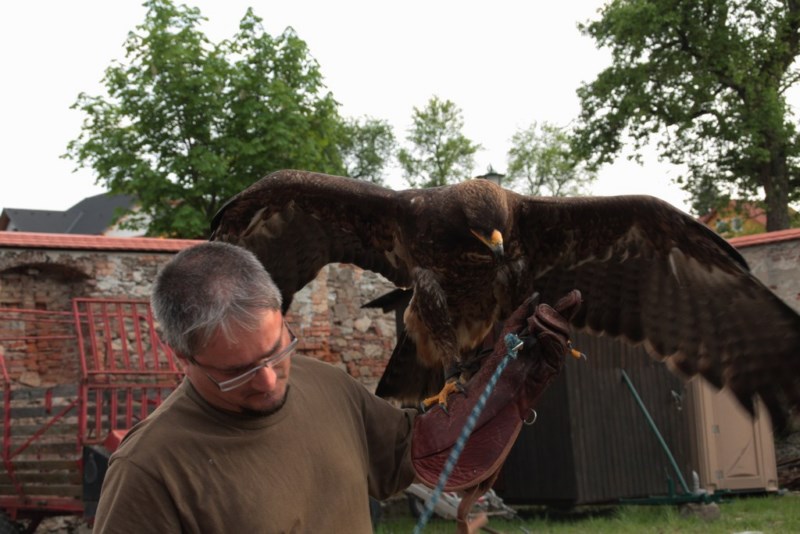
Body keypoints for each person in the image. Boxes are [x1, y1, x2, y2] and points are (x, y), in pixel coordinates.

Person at [94, 241, 578, 533]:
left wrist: (506, 384)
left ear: (281, 314)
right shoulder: (150, 471)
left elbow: (425, 454)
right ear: (179, 356)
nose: (268, 380)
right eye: (237, 371)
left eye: (276, 351)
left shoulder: (326, 385)